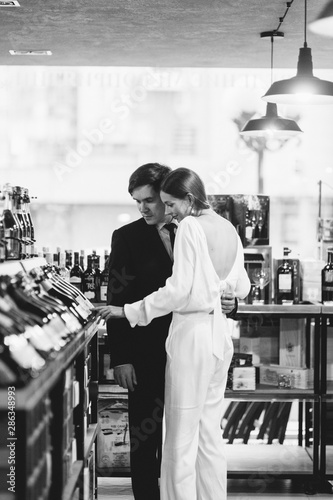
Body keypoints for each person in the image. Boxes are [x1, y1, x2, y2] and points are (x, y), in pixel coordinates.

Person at [95, 167, 250, 500]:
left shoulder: (192, 226)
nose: (145, 208)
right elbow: (116, 296)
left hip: (187, 343)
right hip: (152, 353)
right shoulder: (128, 237)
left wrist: (230, 302)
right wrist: (121, 358)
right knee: (150, 439)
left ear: (173, 196)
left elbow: (183, 291)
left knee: (180, 438)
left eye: (152, 200)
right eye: (138, 202)